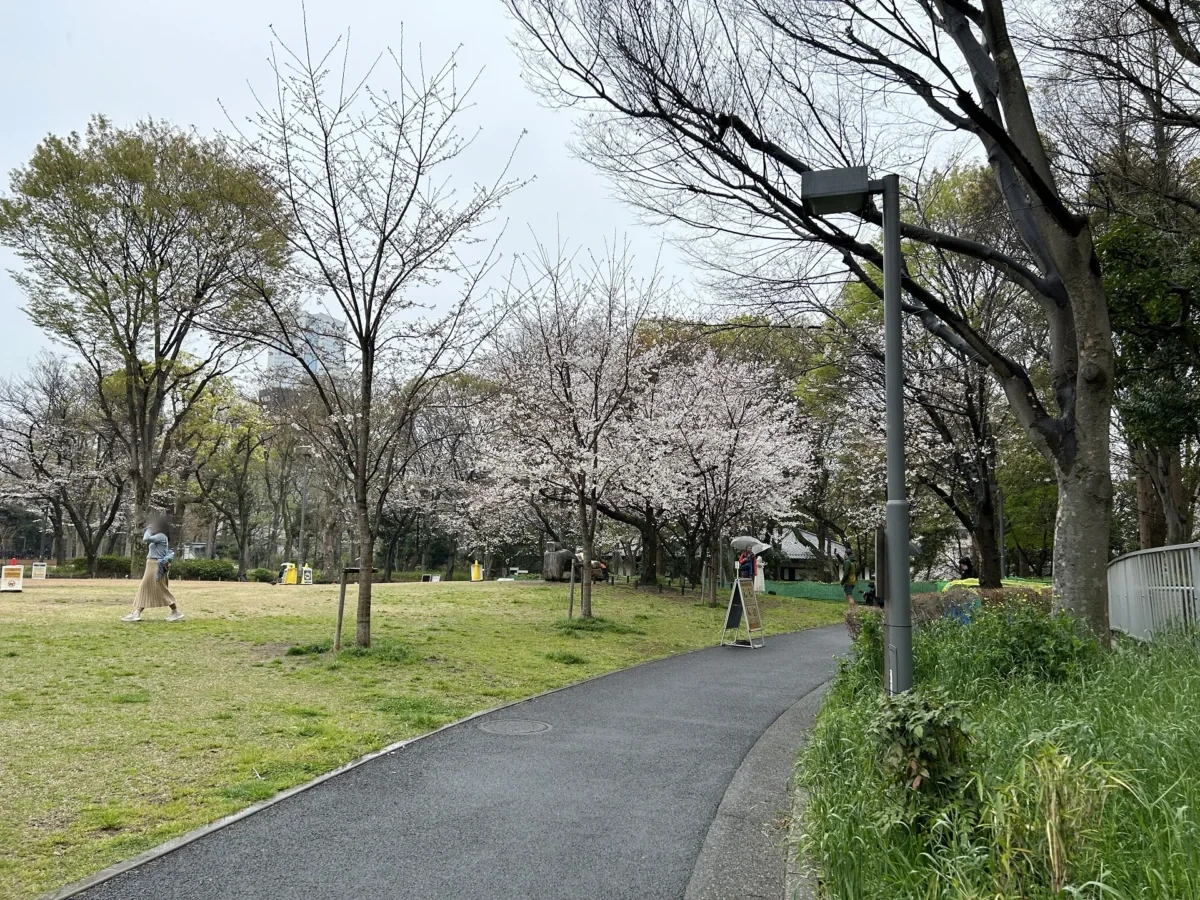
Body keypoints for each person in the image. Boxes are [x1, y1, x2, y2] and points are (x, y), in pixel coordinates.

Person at [122, 512, 183, 622]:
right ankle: (137, 613)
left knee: (159, 589)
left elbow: (146, 538)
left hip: (156, 565)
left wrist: (149, 528)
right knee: (146, 588)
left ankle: (175, 612)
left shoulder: (161, 536)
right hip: (151, 565)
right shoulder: (159, 537)